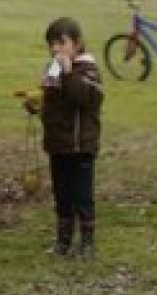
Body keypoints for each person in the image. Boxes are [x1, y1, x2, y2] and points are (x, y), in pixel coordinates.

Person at [26, 17, 104, 257]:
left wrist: (69, 73)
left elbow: (85, 99)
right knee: (62, 195)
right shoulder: (53, 68)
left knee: (82, 196)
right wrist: (35, 104)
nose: (56, 49)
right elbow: (50, 98)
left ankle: (87, 243)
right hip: (58, 145)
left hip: (80, 146)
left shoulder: (88, 70)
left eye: (62, 43)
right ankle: (63, 241)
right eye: (52, 44)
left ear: (77, 43)